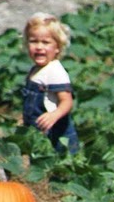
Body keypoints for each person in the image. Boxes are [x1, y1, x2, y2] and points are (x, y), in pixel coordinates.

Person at [22, 13, 79, 154]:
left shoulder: (55, 71)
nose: (39, 47)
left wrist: (54, 115)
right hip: (40, 132)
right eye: (33, 41)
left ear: (57, 47)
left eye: (46, 42)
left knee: (62, 169)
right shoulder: (36, 70)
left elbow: (66, 101)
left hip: (58, 134)